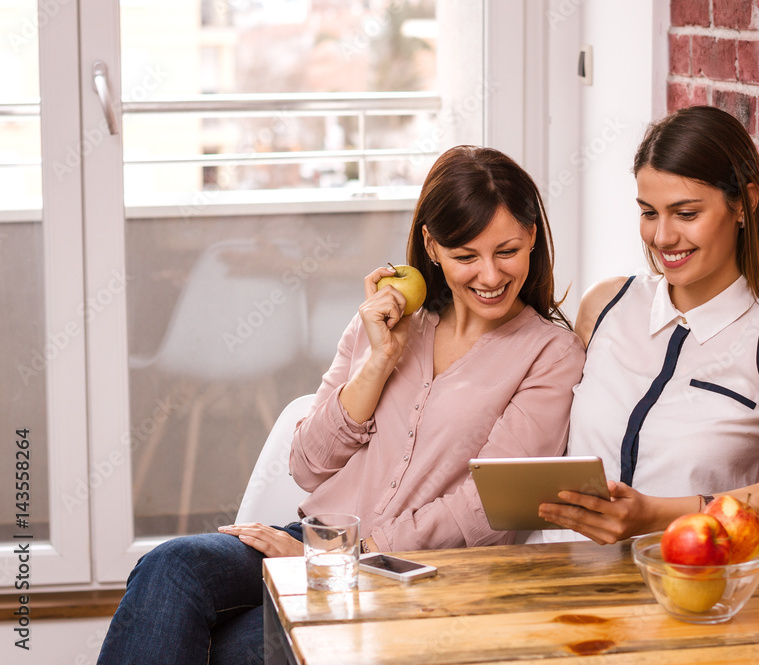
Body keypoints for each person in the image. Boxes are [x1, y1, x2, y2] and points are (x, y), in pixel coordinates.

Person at [98, 145, 586, 665]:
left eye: (506, 251)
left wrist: (342, 555)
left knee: (233, 650)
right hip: (310, 545)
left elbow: (491, 506)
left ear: (533, 235)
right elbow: (308, 464)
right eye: (466, 256)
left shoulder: (551, 354)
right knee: (171, 567)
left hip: (415, 581)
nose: (490, 276)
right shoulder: (387, 321)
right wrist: (379, 361)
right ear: (432, 247)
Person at [536, 106, 759, 544]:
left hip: (689, 586)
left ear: (744, 204)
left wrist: (659, 516)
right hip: (559, 581)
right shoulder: (605, 304)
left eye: (686, 214)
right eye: (649, 213)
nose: (662, 237)